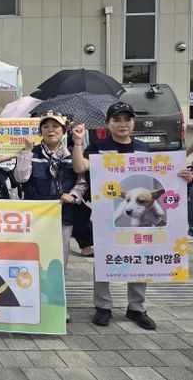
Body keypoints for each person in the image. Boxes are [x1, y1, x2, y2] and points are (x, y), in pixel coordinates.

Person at [71, 101, 193, 330]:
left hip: (141, 218)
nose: (122, 124)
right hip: (107, 215)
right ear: (107, 124)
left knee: (140, 256)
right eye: (116, 120)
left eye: (127, 119)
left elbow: (164, 173)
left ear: (134, 122)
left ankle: (137, 307)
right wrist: (78, 141)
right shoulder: (99, 147)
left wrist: (183, 176)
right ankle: (103, 306)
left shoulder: (143, 148)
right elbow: (79, 167)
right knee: (106, 257)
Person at [13, 112, 87, 323]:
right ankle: (31, 301)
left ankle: (56, 304)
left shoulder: (72, 153)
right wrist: (27, 151)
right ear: (40, 132)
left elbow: (82, 182)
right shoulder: (31, 151)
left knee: (58, 261)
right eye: (46, 127)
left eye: (55, 126)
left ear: (64, 131)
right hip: (36, 217)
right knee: (32, 259)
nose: (50, 130)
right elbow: (20, 177)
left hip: (63, 216)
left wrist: (73, 195)